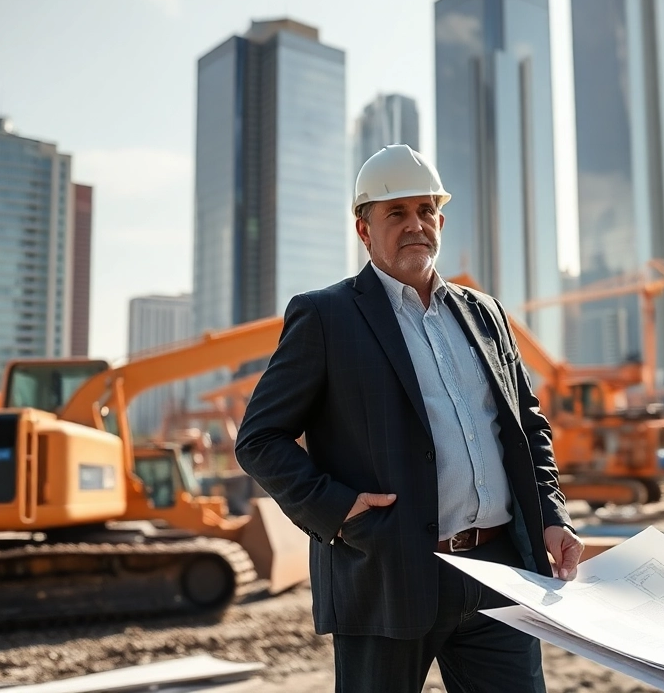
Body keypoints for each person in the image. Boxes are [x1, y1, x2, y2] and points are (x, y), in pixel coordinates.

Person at [235, 144, 584, 693]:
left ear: (440, 221)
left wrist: (551, 515)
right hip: (386, 570)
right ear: (364, 229)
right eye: (395, 212)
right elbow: (259, 438)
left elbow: (527, 425)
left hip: (501, 571)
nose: (414, 224)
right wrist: (337, 509)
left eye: (425, 210)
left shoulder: (486, 314)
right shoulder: (326, 316)